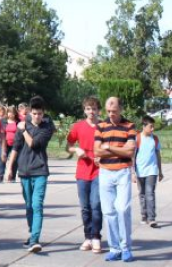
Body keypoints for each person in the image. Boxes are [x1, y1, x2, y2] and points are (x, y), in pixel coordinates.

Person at [5, 96, 55, 254]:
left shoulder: (46, 128)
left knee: (37, 205)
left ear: (43, 113)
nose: (37, 116)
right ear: (29, 112)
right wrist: (9, 168)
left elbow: (33, 144)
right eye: (34, 113)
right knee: (28, 206)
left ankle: (34, 239)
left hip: (40, 170)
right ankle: (32, 232)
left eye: (40, 114)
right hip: (24, 170)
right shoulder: (23, 124)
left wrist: (23, 129)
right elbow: (16, 147)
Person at [94, 96, 137, 263]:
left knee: (122, 209)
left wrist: (109, 147)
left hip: (122, 172)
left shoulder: (129, 126)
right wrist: (120, 149)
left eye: (114, 111)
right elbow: (96, 151)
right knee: (109, 212)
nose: (111, 114)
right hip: (105, 172)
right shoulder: (100, 126)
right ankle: (114, 248)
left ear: (121, 109)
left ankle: (126, 247)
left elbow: (130, 152)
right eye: (108, 111)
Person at [66, 96, 103, 253]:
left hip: (99, 170)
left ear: (98, 110)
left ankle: (95, 237)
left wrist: (103, 154)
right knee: (85, 207)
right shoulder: (78, 126)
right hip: (82, 170)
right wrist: (76, 150)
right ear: (84, 110)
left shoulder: (103, 126)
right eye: (88, 109)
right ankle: (87, 237)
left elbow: (110, 144)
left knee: (96, 205)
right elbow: (68, 146)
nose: (91, 112)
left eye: (94, 109)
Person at [134, 115, 164, 229]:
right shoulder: (137, 138)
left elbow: (158, 155)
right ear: (144, 126)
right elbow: (133, 156)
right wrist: (132, 172)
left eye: (153, 127)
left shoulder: (155, 139)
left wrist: (160, 171)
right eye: (150, 127)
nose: (152, 129)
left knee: (150, 193)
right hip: (139, 171)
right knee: (142, 194)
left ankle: (152, 218)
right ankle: (144, 215)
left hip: (152, 170)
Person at [3, 106, 20, 182]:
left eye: (12, 112)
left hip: (15, 143)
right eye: (9, 112)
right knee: (3, 158)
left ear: (15, 113)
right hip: (5, 143)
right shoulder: (3, 121)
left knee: (14, 160)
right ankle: (1, 175)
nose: (10, 114)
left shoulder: (18, 122)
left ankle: (12, 177)